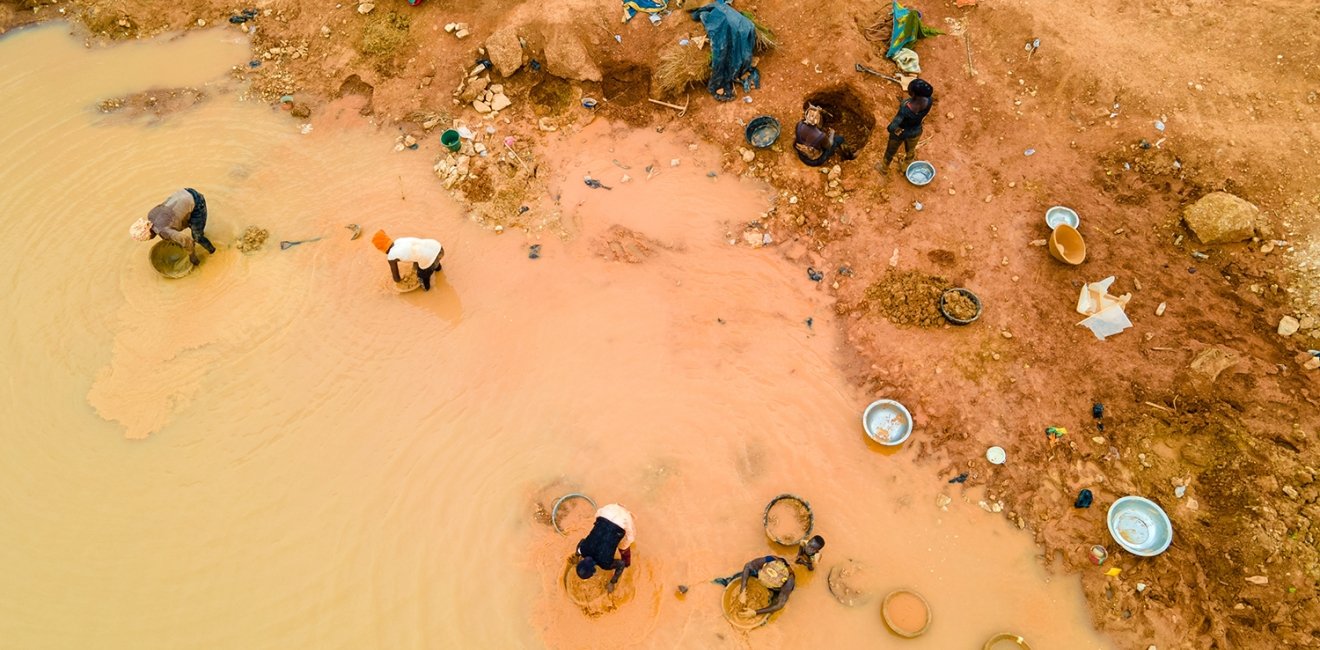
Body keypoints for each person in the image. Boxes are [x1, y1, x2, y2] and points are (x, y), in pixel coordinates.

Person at [129, 188, 216, 265]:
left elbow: (188, 241)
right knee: (193, 227)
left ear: (149, 235)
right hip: (185, 192)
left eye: (148, 239)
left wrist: (192, 257)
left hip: (197, 203)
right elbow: (168, 217)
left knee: (197, 237)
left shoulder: (164, 232)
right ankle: (200, 233)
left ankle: (213, 251)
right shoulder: (150, 215)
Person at [573, 503, 636, 593]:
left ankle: (628, 564)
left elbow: (621, 564)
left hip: (625, 520)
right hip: (607, 511)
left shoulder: (605, 563)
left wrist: (612, 582)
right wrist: (576, 555)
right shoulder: (583, 549)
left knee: (624, 546)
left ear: (594, 571)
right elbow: (581, 542)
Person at [880, 78, 934, 172]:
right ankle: (906, 168)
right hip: (916, 131)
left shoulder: (905, 108)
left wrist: (892, 129)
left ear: (914, 94)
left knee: (890, 151)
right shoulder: (929, 100)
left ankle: (884, 168)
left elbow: (892, 127)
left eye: (909, 89)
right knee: (910, 150)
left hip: (901, 132)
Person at [718, 555, 796, 618]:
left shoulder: (788, 582)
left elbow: (779, 605)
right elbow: (748, 566)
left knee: (772, 609)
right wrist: (742, 591)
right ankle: (727, 581)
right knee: (740, 576)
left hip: (777, 591)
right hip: (761, 574)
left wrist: (755, 612)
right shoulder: (768, 560)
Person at [371, 230, 444, 291]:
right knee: (432, 260)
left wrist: (401, 283)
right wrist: (414, 269)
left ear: (381, 249)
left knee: (422, 276)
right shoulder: (399, 240)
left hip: (429, 258)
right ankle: (438, 269)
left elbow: (396, 278)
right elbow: (415, 252)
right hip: (438, 247)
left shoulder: (391, 257)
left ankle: (427, 290)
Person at [794, 102, 855, 167]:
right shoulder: (821, 136)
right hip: (815, 160)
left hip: (802, 155)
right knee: (840, 139)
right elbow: (829, 145)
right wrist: (832, 133)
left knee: (817, 143)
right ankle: (850, 156)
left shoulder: (799, 124)